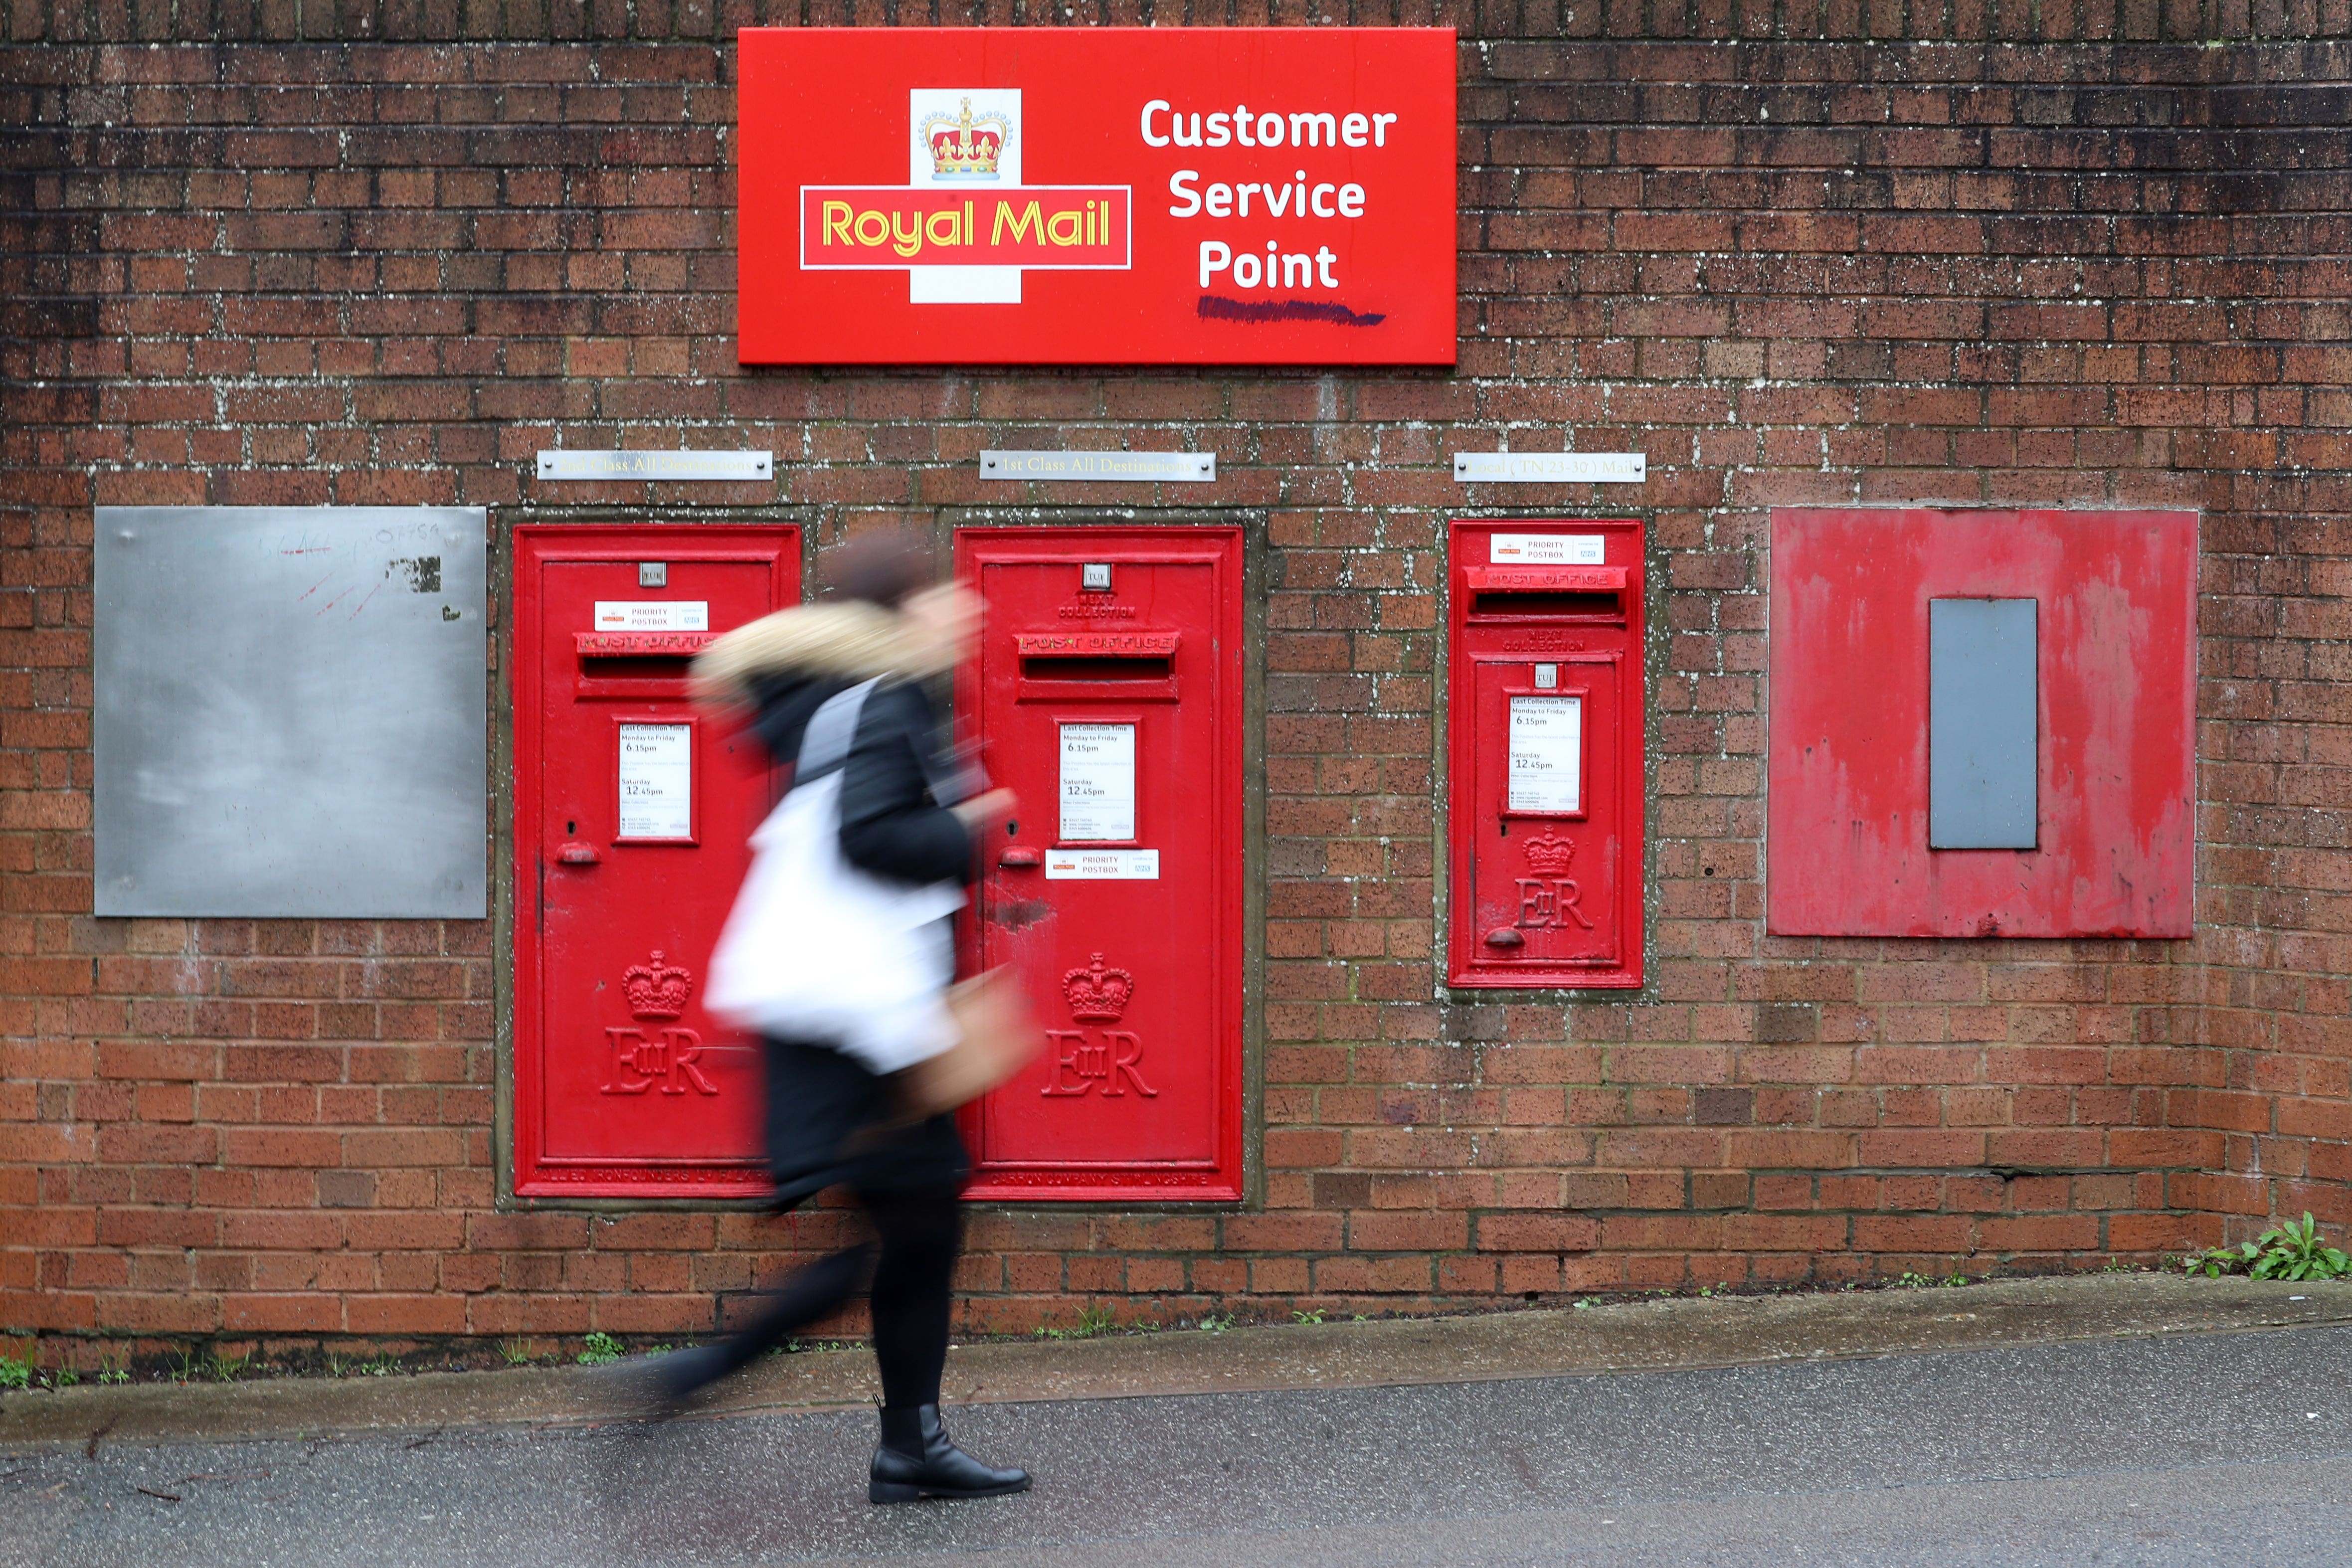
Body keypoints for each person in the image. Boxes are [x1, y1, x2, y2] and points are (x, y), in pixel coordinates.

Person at [643, 530, 1029, 1505]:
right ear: (902, 612)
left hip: (838, 1012)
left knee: (908, 1229)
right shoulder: (886, 699)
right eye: (948, 595)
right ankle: (732, 1383)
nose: (967, 611)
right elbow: (870, 835)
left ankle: (903, 1439)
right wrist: (971, 827)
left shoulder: (828, 704)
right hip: (863, 1019)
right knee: (908, 1227)